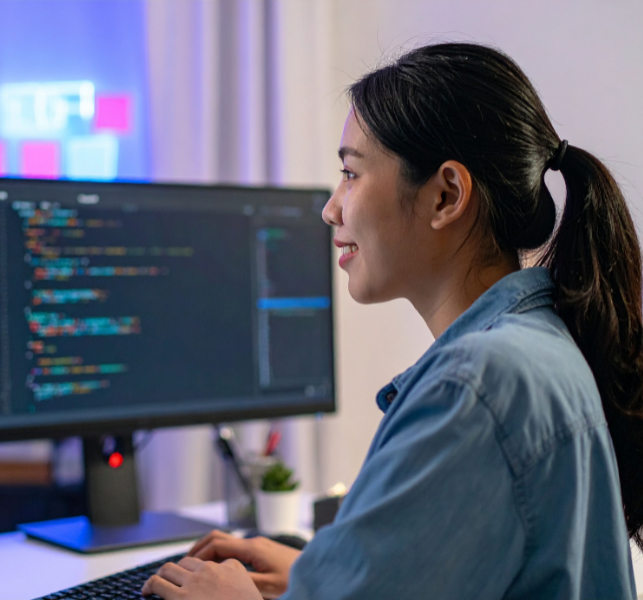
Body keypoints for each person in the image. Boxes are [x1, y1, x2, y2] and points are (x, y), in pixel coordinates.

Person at [142, 42, 643, 600]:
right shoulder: (535, 343)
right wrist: (319, 576)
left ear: (445, 196)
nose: (331, 208)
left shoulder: (478, 383)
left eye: (350, 174)